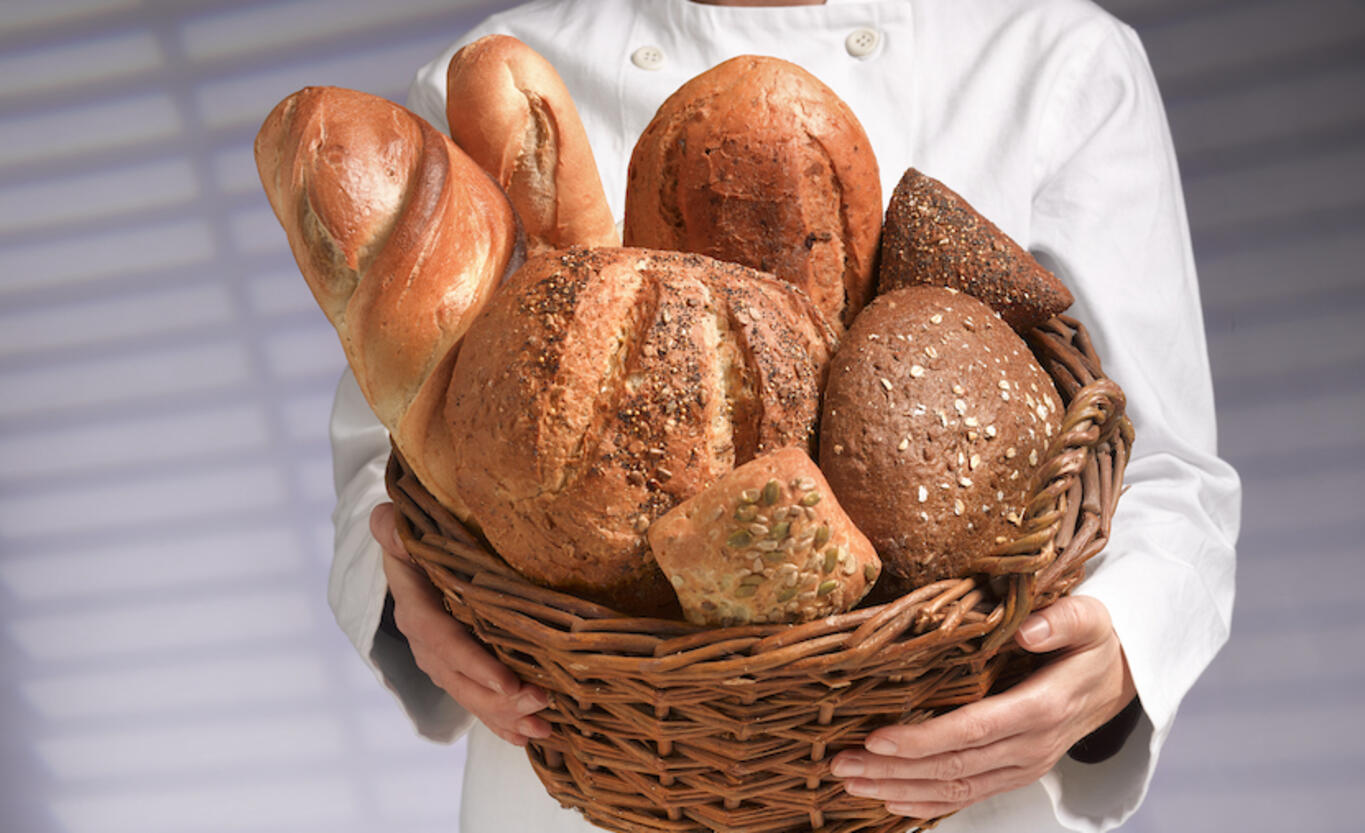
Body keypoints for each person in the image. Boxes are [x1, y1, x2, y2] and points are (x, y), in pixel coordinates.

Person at [327, 0, 1241, 830]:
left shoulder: (1057, 57)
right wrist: (406, 580)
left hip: (945, 795)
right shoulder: (510, 60)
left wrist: (1122, 647)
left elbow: (1165, 463)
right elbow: (396, 448)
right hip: (580, 781)